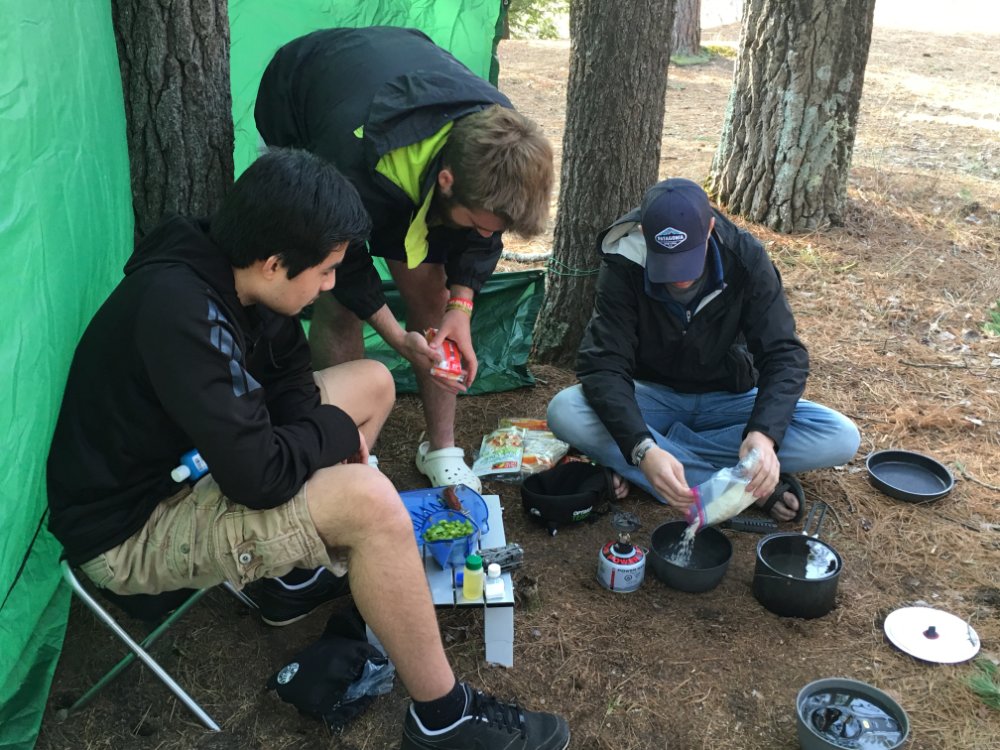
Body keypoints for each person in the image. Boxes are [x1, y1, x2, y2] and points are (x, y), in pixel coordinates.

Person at [47, 149, 569, 750]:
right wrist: (335, 440)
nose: (329, 287)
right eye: (324, 273)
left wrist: (319, 432)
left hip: (194, 458)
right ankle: (442, 718)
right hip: (132, 530)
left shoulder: (238, 275)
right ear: (274, 263)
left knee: (371, 380)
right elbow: (261, 477)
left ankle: (290, 579)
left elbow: (292, 382)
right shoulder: (181, 312)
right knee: (371, 503)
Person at [254, 26, 555, 492]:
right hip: (305, 94)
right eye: (475, 223)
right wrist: (396, 337)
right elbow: (345, 266)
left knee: (431, 291)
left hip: (404, 88)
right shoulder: (349, 158)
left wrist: (461, 307)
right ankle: (344, 449)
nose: (482, 234)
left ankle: (441, 448)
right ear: (448, 180)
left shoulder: (502, 145)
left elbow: (483, 236)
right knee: (337, 297)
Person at [546, 178, 860, 519]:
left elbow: (784, 354)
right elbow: (603, 365)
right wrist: (643, 447)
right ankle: (739, 489)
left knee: (840, 436)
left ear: (710, 227)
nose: (680, 278)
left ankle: (658, 468)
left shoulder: (745, 258)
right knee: (566, 410)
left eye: (688, 261)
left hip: (728, 401)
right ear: (646, 237)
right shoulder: (625, 264)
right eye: (668, 263)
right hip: (652, 401)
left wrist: (763, 436)